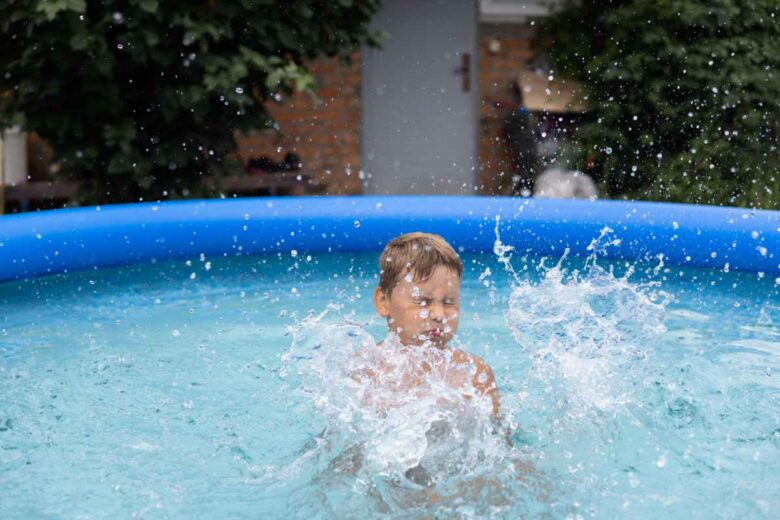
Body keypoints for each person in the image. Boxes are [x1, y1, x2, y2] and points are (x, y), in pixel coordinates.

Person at [363, 232, 500, 418]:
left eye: (449, 302)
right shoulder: (366, 372)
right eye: (422, 301)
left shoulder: (474, 374)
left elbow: (500, 440)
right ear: (383, 302)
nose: (439, 315)